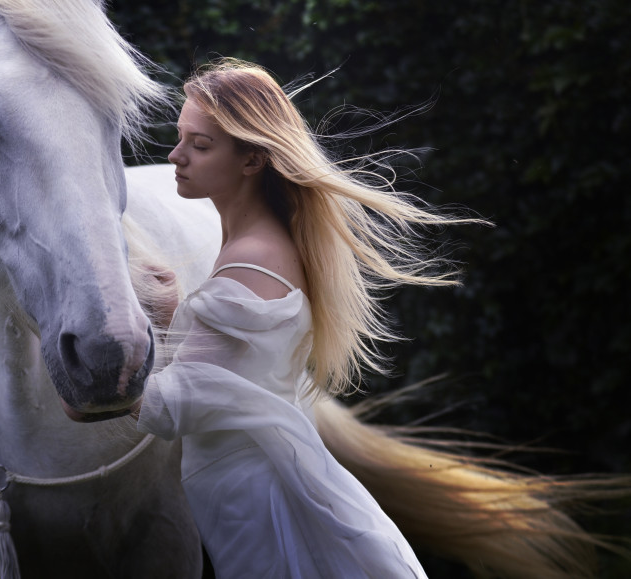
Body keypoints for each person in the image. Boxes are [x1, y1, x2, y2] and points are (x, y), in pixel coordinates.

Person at [131, 58, 471, 578]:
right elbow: (232, 374)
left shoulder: (250, 260)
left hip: (253, 498)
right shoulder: (262, 245)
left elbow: (167, 411)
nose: (176, 156)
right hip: (249, 484)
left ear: (251, 161)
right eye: (180, 138)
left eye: (200, 145)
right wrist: (175, 314)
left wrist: (91, 382)